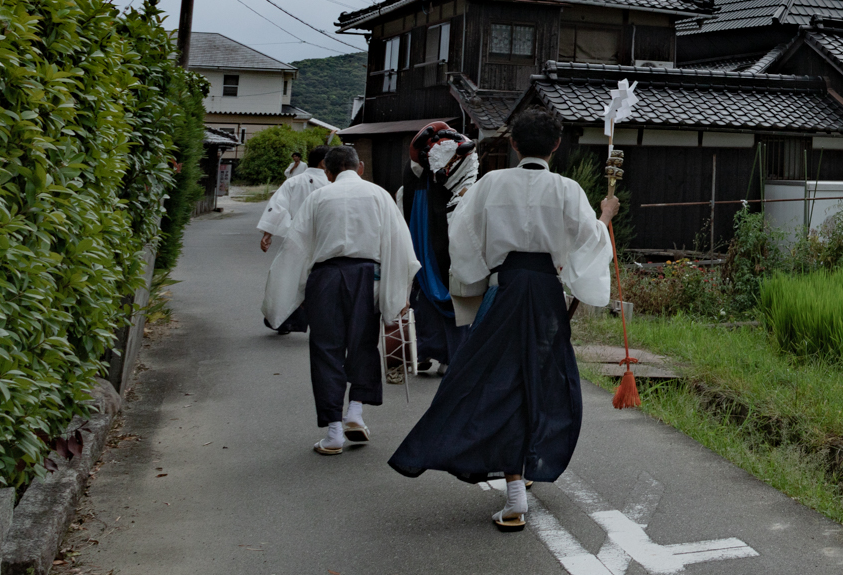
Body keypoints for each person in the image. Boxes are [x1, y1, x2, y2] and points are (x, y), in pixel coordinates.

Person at [388, 106, 617, 532]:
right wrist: (605, 215)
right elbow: (592, 241)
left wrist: (478, 274)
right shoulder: (567, 189)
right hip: (546, 294)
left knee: (497, 380)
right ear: (556, 145)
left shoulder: (491, 184)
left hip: (505, 289)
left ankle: (516, 480)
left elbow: (462, 234)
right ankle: (521, 477)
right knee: (546, 379)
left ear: (512, 143)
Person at [262, 145, 420, 456]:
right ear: (360, 167)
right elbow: (399, 244)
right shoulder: (379, 195)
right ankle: (355, 413)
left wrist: (291, 292)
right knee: (362, 343)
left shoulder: (319, 197)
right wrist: (397, 293)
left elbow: (296, 247)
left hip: (326, 277)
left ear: (329, 173)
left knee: (325, 350)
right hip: (367, 276)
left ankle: (334, 431)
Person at [398, 123, 481, 375]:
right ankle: (449, 357)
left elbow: (402, 218)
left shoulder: (409, 181)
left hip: (419, 250)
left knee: (422, 300)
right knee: (453, 302)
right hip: (451, 252)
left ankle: (422, 352)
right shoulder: (462, 184)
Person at [257, 144, 333, 334]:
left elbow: (278, 206)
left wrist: (268, 234)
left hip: (296, 238)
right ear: (324, 163)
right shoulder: (333, 184)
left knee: (287, 279)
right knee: (318, 282)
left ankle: (281, 319)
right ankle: (319, 322)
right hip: (325, 241)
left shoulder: (294, 181)